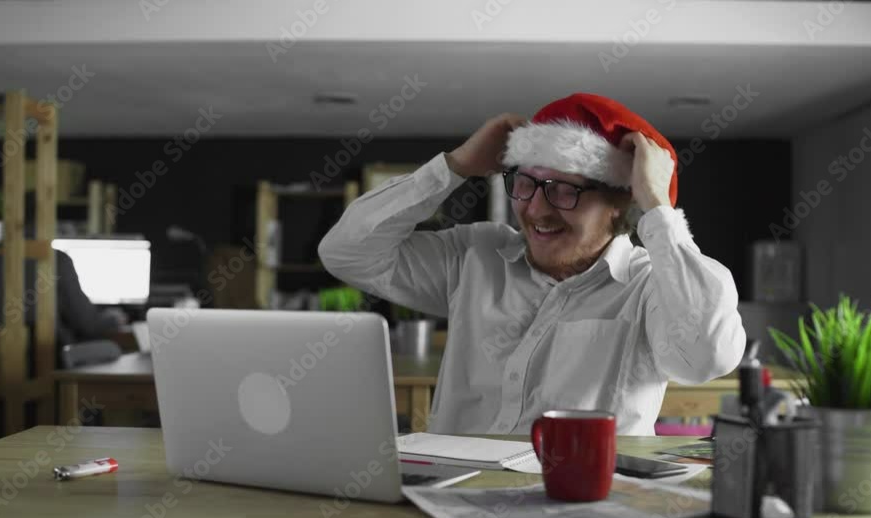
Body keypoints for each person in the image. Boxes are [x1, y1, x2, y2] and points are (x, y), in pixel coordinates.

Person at [318, 93, 746, 435]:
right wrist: (454, 167)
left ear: (620, 203)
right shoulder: (475, 255)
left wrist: (656, 204)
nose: (536, 210)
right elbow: (347, 252)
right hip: (450, 496)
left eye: (564, 190)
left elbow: (705, 358)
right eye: (525, 183)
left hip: (586, 505)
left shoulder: (652, 287)